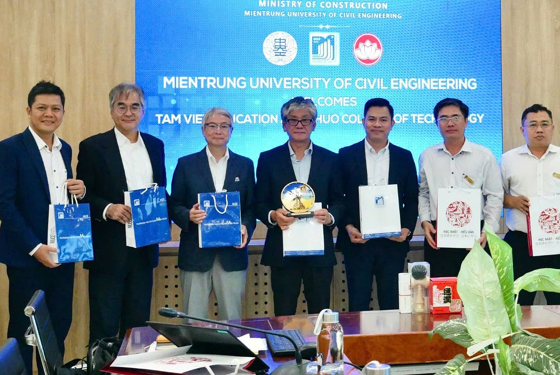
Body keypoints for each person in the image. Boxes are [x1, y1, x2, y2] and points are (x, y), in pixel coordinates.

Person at [0, 81, 86, 375]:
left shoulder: (65, 149)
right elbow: (4, 205)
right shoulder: (8, 149)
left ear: (63, 112)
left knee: (58, 327)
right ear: (29, 111)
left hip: (62, 255)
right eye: (42, 107)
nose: (49, 114)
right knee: (23, 332)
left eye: (55, 108)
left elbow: (60, 200)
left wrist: (80, 191)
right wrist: (35, 248)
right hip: (26, 257)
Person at [78, 83, 167, 343]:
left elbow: (161, 191)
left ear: (143, 111)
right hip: (109, 251)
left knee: (137, 328)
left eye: (135, 107)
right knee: (104, 327)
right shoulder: (93, 147)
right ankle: (102, 366)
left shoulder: (156, 145)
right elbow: (83, 195)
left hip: (144, 250)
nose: (128, 112)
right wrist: (108, 209)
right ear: (111, 111)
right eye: (122, 106)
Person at [254, 97, 345, 316]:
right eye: (292, 120)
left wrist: (331, 216)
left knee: (320, 313)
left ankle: (320, 341)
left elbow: (340, 201)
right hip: (282, 249)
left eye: (306, 119)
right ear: (284, 125)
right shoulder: (268, 159)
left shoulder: (331, 159)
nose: (299, 125)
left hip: (318, 249)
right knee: (284, 314)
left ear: (314, 124)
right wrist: (273, 215)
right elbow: (258, 202)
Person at [168, 107, 256, 320]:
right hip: (195, 253)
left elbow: (251, 207)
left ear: (231, 131)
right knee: (193, 320)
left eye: (224, 126)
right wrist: (188, 215)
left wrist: (245, 226)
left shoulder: (245, 164)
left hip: (232, 254)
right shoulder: (186, 164)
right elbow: (174, 204)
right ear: (203, 130)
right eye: (212, 126)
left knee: (233, 320)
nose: (218, 131)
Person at [500, 103, 560, 305]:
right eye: (533, 125)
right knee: (518, 306)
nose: (539, 129)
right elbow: (496, 197)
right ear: (522, 129)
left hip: (558, 242)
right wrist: (513, 201)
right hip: (520, 242)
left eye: (544, 124)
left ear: (552, 128)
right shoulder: (508, 159)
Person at [337, 98, 419, 311]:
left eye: (383, 120)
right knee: (358, 304)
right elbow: (338, 197)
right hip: (357, 241)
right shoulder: (345, 155)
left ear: (392, 123)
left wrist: (407, 229)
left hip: (393, 243)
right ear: (363, 121)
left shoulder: (404, 156)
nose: (377, 124)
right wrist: (348, 227)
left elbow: (412, 198)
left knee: (392, 304)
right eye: (371, 119)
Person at [418, 98, 504, 278]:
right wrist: (425, 220)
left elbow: (495, 196)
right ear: (436, 123)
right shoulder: (427, 156)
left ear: (466, 121)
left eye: (456, 117)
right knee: (442, 290)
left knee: (475, 291)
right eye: (443, 118)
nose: (450, 123)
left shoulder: (484, 156)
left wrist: (487, 231)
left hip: (475, 234)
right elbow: (423, 193)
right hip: (438, 233)